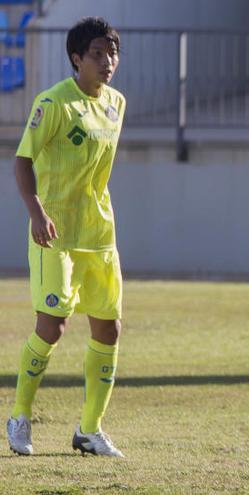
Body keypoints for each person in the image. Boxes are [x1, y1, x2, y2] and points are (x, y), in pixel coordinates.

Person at [6, 17, 126, 458]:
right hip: (53, 235)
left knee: (109, 330)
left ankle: (89, 430)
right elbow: (22, 161)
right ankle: (19, 415)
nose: (108, 61)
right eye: (98, 53)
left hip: (100, 235)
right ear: (77, 58)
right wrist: (36, 212)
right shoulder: (53, 103)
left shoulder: (116, 103)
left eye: (113, 52)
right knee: (52, 327)